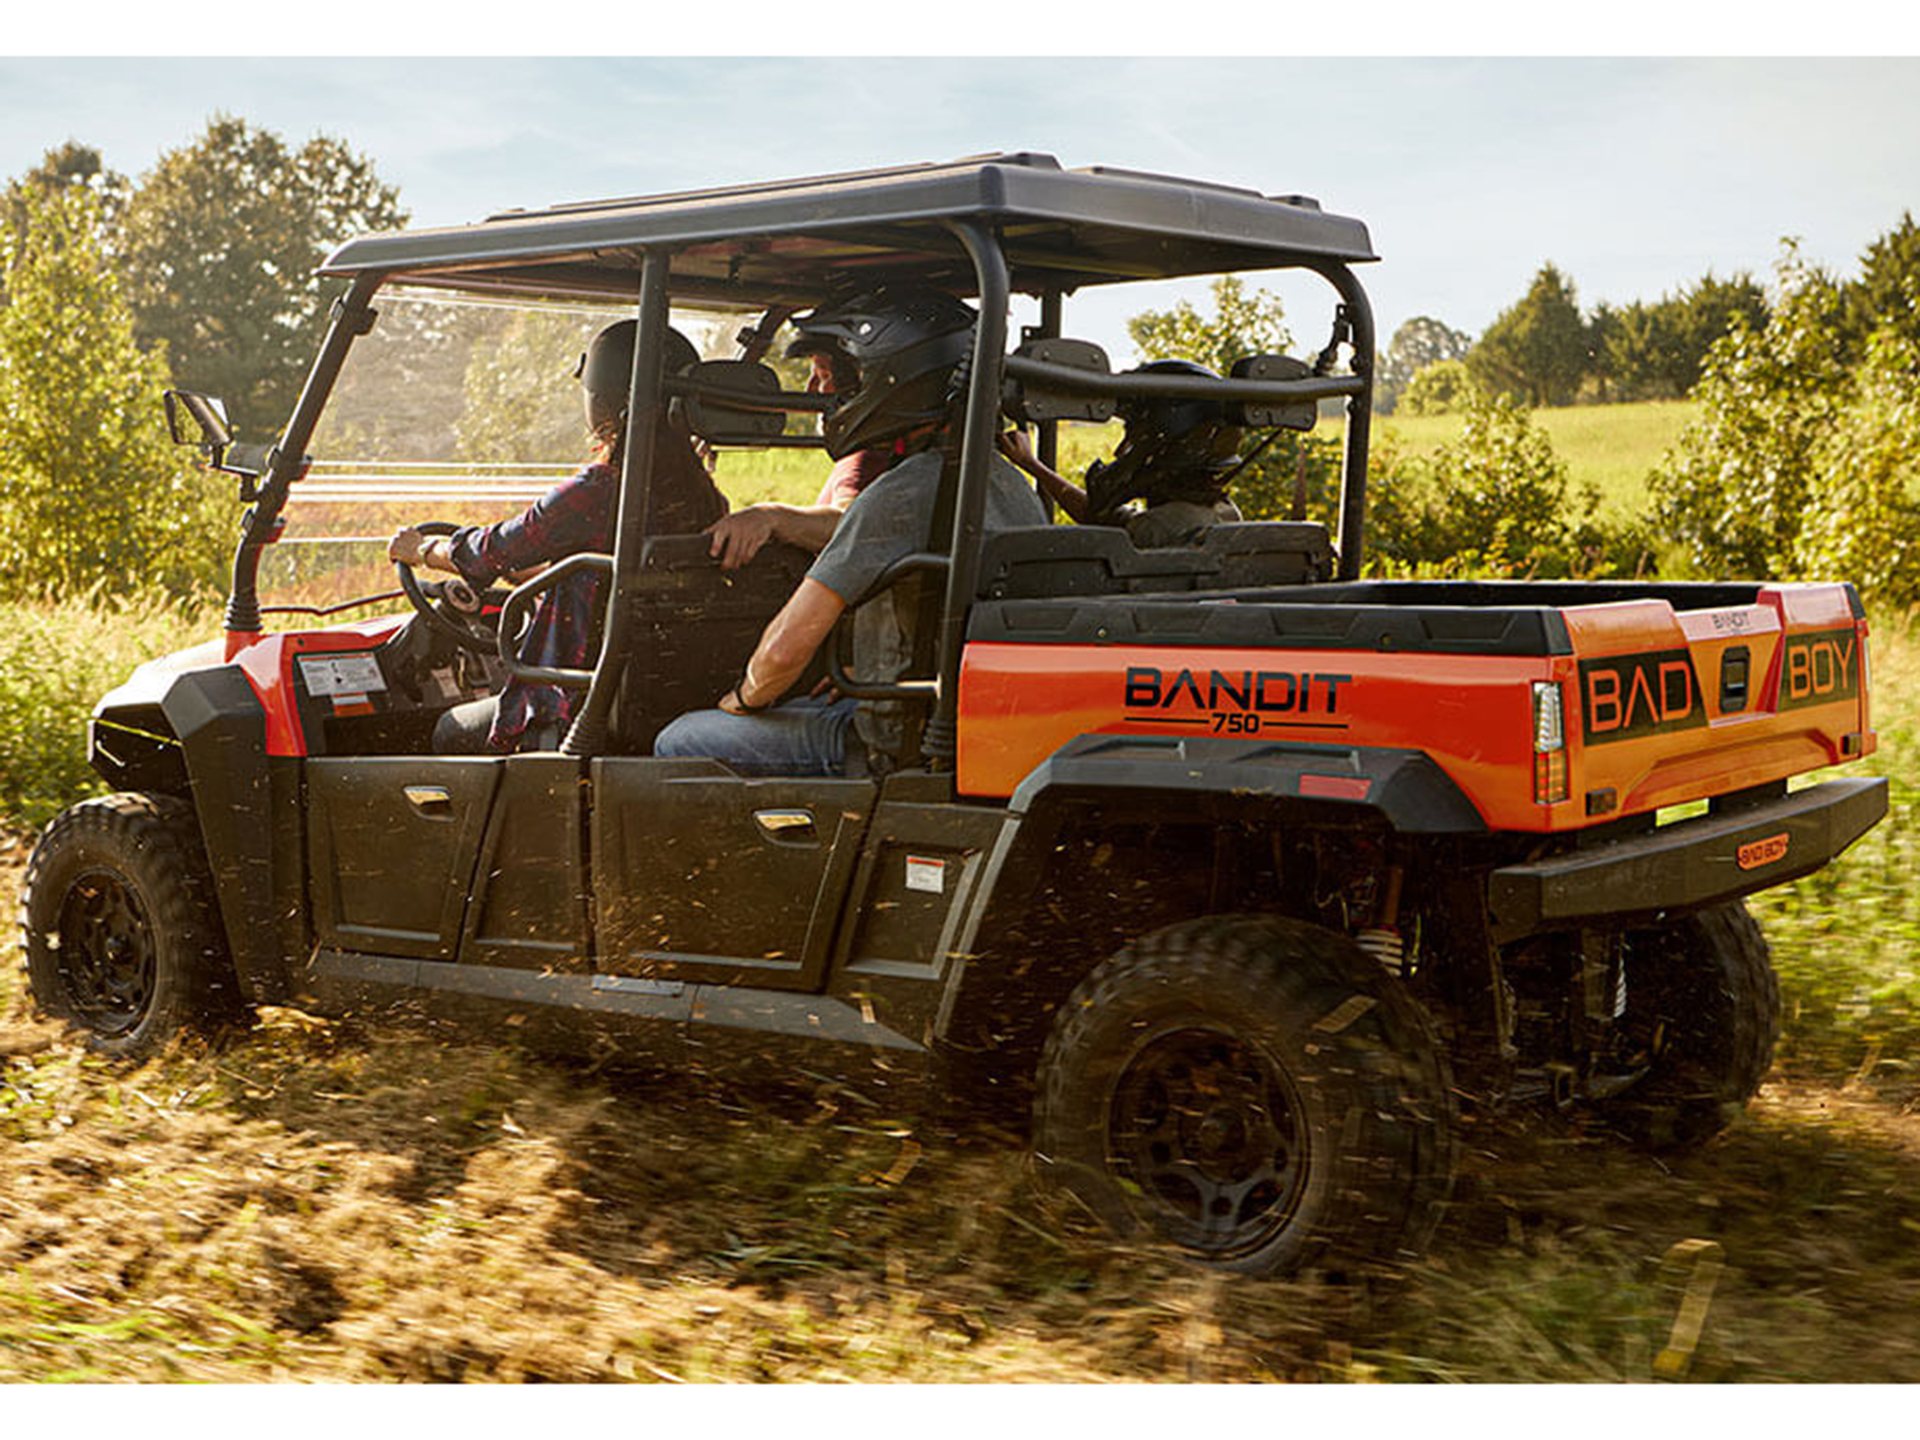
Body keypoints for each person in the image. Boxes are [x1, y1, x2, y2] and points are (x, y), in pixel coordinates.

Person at [653, 283, 1047, 777]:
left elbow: (781, 654)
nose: (819, 394)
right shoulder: (1011, 484)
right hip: (951, 719)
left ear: (884, 378)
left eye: (830, 377)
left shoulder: (898, 495)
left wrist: (741, 697)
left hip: (890, 736)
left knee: (681, 737)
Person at [388, 319, 727, 754]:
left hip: (581, 701)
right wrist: (536, 575)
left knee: (449, 731)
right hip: (658, 692)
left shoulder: (602, 488)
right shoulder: (704, 497)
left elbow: (493, 550)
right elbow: (605, 574)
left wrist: (421, 550)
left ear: (603, 399)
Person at [997, 357, 1246, 549]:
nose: (1121, 451)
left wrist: (1031, 466)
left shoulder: (1156, 528)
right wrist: (1032, 464)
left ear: (1163, 444)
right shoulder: (1223, 512)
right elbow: (1101, 517)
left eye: (1133, 435)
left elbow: (1103, 521)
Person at [701, 334, 892, 571]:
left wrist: (770, 517)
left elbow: (849, 525)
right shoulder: (877, 453)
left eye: (824, 375)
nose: (810, 389)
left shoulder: (868, 455)